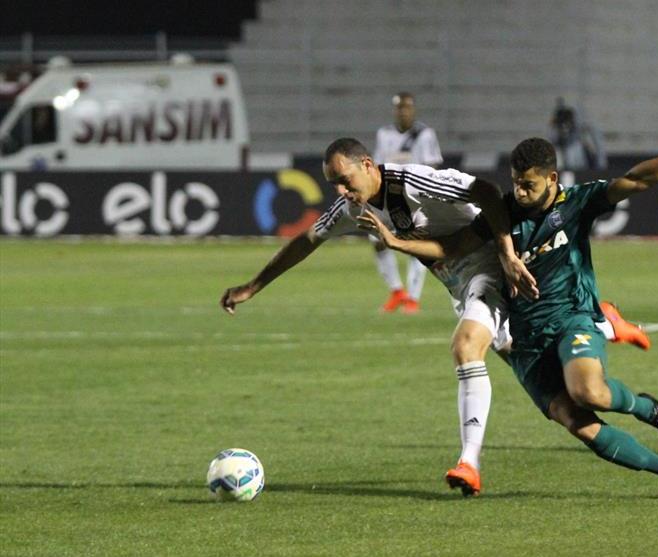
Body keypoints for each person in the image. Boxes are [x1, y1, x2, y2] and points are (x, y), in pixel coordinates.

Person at [359, 123, 658, 498]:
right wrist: (395, 242)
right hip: (524, 342)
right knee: (578, 423)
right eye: (516, 183)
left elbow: (638, 180)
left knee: (588, 392)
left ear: (552, 178)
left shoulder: (576, 203)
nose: (520, 192)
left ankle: (646, 408)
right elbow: (451, 248)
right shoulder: (502, 214)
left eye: (529, 185)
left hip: (572, 319)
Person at [221, 137, 536, 496]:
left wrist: (508, 255)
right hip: (462, 289)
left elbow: (487, 191)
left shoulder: (413, 180)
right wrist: (254, 286)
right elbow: (307, 240)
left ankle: (469, 464)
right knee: (531, 365)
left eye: (345, 179)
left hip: (490, 270)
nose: (341, 190)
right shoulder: (353, 207)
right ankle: (596, 326)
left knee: (466, 348)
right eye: (333, 185)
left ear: (368, 165)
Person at [370, 92, 443, 314]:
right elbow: (377, 166)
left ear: (413, 110)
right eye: (399, 108)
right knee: (376, 239)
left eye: (407, 107)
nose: (403, 111)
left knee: (415, 245)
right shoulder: (384, 134)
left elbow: (433, 167)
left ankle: (413, 298)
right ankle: (396, 291)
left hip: (414, 198)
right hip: (388, 197)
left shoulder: (424, 134)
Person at [549, 97, 607, 171]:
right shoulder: (556, 147)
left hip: (581, 170)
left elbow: (599, 152)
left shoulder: (577, 145)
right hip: (562, 167)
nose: (565, 128)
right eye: (562, 125)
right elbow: (552, 137)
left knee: (575, 149)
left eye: (567, 123)